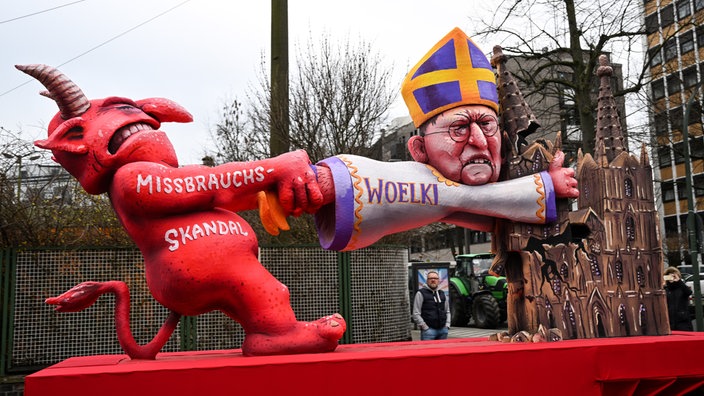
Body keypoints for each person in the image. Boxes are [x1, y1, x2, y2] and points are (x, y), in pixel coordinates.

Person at [261, 27, 579, 250]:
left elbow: (476, 207)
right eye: (459, 128)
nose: (480, 142)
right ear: (419, 149)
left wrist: (551, 186)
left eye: (487, 125)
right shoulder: (427, 195)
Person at [412, 270, 451, 340]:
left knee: (443, 351)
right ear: (427, 280)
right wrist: (425, 327)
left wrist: (447, 325)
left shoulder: (442, 294)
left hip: (443, 330)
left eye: (435, 278)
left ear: (438, 280)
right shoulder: (420, 293)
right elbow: (416, 313)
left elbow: (447, 311)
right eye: (430, 278)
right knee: (428, 350)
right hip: (429, 331)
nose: (433, 280)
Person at [664, 266, 693, 331]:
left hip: (683, 321)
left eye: (673, 276)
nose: (671, 278)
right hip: (670, 321)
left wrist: (679, 281)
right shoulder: (665, 290)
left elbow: (689, 292)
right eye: (668, 276)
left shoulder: (682, 288)